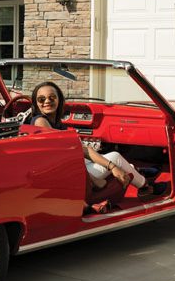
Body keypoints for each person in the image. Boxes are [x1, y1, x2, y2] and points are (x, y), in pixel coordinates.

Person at [28, 81, 166, 200]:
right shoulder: (41, 122)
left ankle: (135, 171)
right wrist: (93, 178)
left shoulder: (55, 122)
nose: (47, 101)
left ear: (59, 99)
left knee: (105, 157)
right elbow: (59, 157)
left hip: (72, 165)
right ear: (35, 102)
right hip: (68, 173)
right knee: (115, 157)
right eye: (41, 99)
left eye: (52, 97)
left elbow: (81, 149)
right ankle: (145, 187)